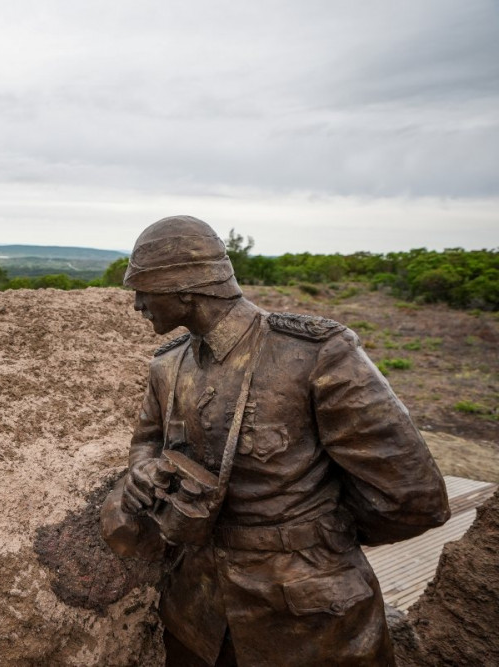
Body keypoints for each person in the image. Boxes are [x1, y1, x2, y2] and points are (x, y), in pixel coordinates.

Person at [101, 215, 451, 667]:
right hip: (198, 615)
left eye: (142, 290)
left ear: (185, 289)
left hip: (310, 621)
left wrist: (318, 540)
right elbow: (145, 442)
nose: (136, 306)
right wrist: (144, 470)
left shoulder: (315, 353)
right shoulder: (168, 365)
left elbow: (415, 496)